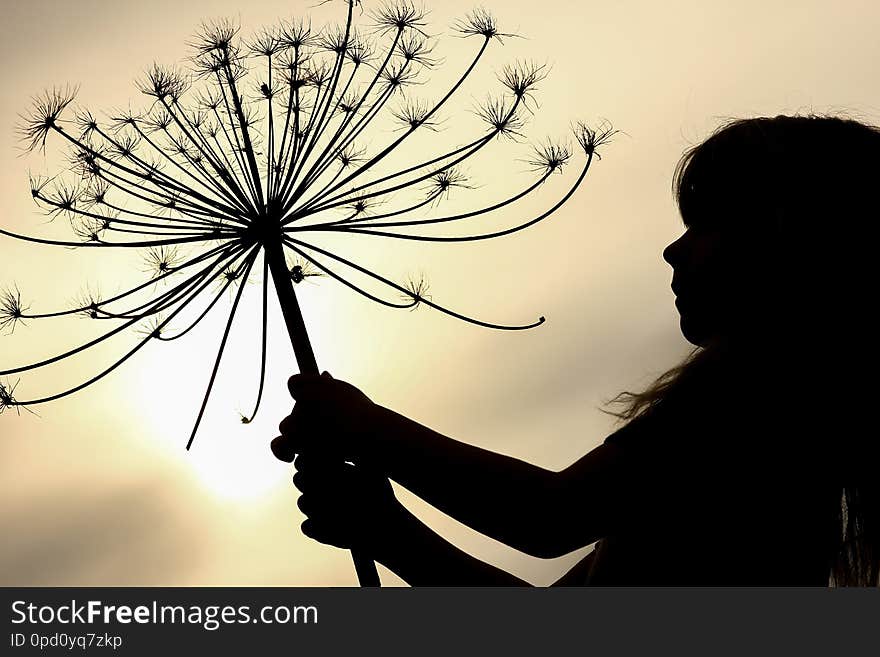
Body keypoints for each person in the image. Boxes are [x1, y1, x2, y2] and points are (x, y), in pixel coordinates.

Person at [271, 115, 879, 586]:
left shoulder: (758, 387)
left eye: (706, 225)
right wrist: (388, 531)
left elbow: (547, 518)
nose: (673, 250)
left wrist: (367, 427)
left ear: (782, 237)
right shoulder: (803, 434)